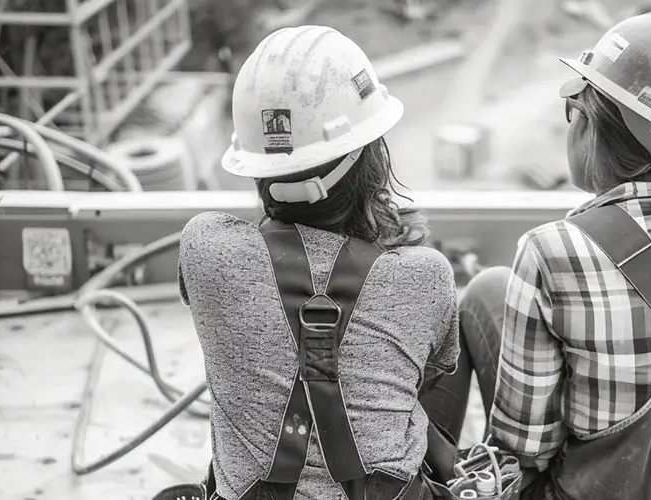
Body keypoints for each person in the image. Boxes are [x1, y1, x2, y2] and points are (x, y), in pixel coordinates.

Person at [431, 13, 651, 500]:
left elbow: (527, 449)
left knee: (484, 291)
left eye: (573, 108)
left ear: (589, 122)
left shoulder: (551, 253)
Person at [176, 26, 460, 500]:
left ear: (255, 164)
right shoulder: (423, 275)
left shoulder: (206, 248)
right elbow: (432, 371)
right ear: (369, 156)